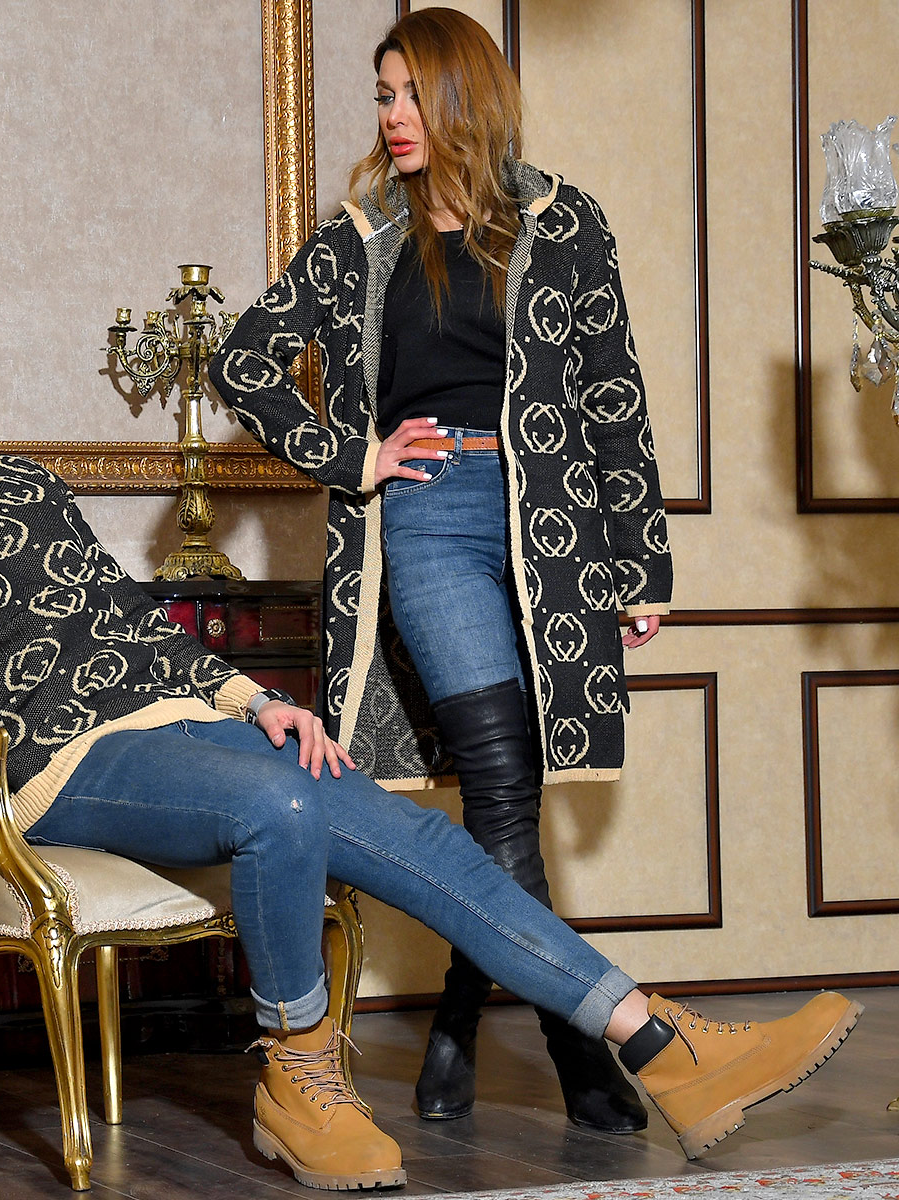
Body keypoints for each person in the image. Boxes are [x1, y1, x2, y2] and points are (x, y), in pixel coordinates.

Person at [0, 253, 860, 1192]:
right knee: (283, 805)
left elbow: (131, 623)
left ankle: (663, 1044)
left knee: (418, 833)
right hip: (54, 770)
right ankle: (298, 1073)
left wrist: (257, 701)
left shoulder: (25, 486)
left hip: (183, 729)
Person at [211, 7, 666, 1132]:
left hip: (551, 529)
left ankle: (459, 1017)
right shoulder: (363, 236)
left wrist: (638, 561)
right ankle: (586, 1056)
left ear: (468, 97)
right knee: (502, 785)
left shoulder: (564, 223)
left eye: (412, 92)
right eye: (383, 95)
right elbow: (243, 359)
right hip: (427, 518)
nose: (393, 116)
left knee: (512, 799)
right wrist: (352, 455)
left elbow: (614, 394)